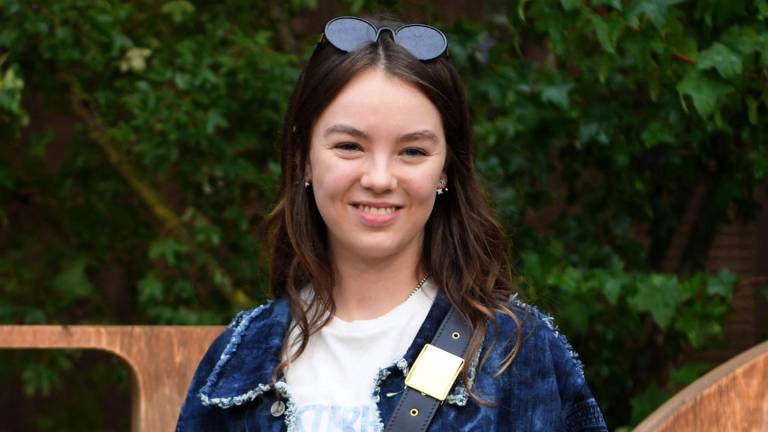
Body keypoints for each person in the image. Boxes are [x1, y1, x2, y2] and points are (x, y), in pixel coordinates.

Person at [176, 14, 608, 432]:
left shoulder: (515, 353)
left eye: (412, 152)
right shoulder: (237, 362)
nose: (380, 179)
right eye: (349, 146)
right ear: (303, 156)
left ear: (445, 168)